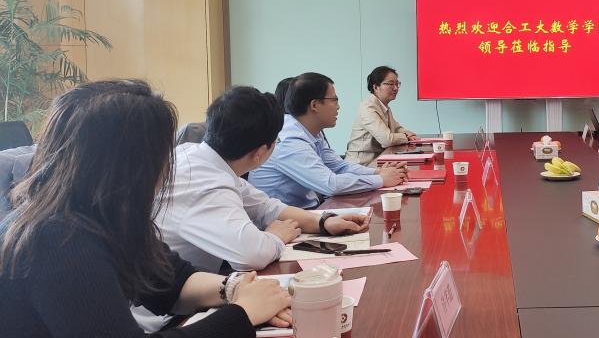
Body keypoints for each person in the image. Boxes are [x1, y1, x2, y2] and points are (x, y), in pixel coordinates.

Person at [0, 79, 290, 337]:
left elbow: (171, 282)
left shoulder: (106, 212)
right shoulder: (58, 240)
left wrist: (233, 288)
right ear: (133, 166)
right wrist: (242, 314)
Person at [137, 86, 370, 330]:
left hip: (200, 291)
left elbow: (265, 207)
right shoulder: (206, 184)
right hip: (168, 318)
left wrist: (323, 222)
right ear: (260, 153)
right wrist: (275, 236)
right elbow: (250, 254)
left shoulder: (202, 157)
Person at [249, 72, 407, 208]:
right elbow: (330, 185)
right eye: (334, 100)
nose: (338, 107)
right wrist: (381, 179)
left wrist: (378, 172)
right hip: (285, 222)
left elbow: (339, 166)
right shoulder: (289, 140)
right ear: (315, 105)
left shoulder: (311, 131)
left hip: (309, 210)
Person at [346, 66, 418, 165]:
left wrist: (409, 133)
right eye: (391, 84)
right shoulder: (368, 108)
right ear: (376, 87)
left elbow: (396, 128)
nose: (396, 88)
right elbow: (387, 140)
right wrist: (406, 137)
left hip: (378, 160)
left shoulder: (383, 105)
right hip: (361, 165)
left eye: (397, 84)